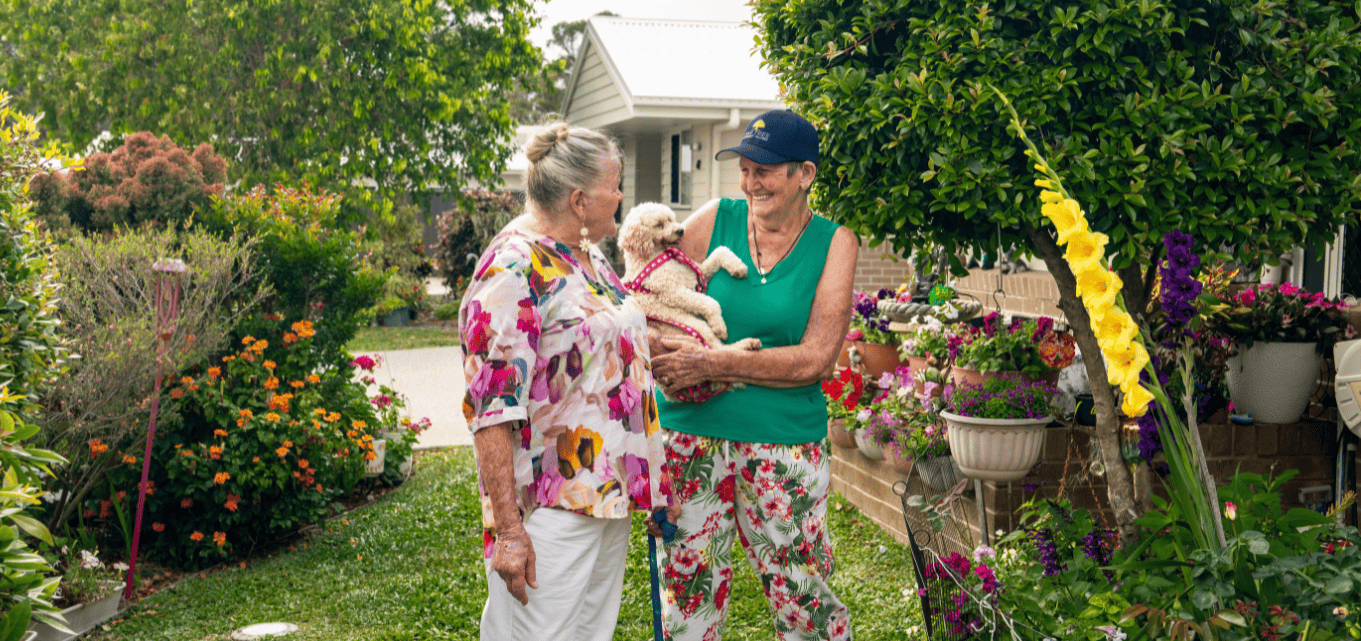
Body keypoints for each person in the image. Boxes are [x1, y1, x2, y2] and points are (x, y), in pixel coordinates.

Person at [459, 123, 675, 641]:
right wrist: (510, 532)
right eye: (615, 186)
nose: (622, 196)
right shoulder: (512, 268)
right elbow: (491, 409)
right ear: (580, 200)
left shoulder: (587, 254)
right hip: (550, 508)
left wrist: (648, 478)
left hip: (607, 493)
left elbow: (606, 356)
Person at [650, 109, 858, 641]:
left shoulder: (835, 243)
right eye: (744, 168)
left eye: (764, 169)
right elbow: (650, 298)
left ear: (804, 174)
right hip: (688, 436)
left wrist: (715, 361)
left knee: (803, 595)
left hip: (783, 447)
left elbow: (815, 359)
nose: (750, 182)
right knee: (688, 593)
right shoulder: (713, 219)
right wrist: (660, 351)